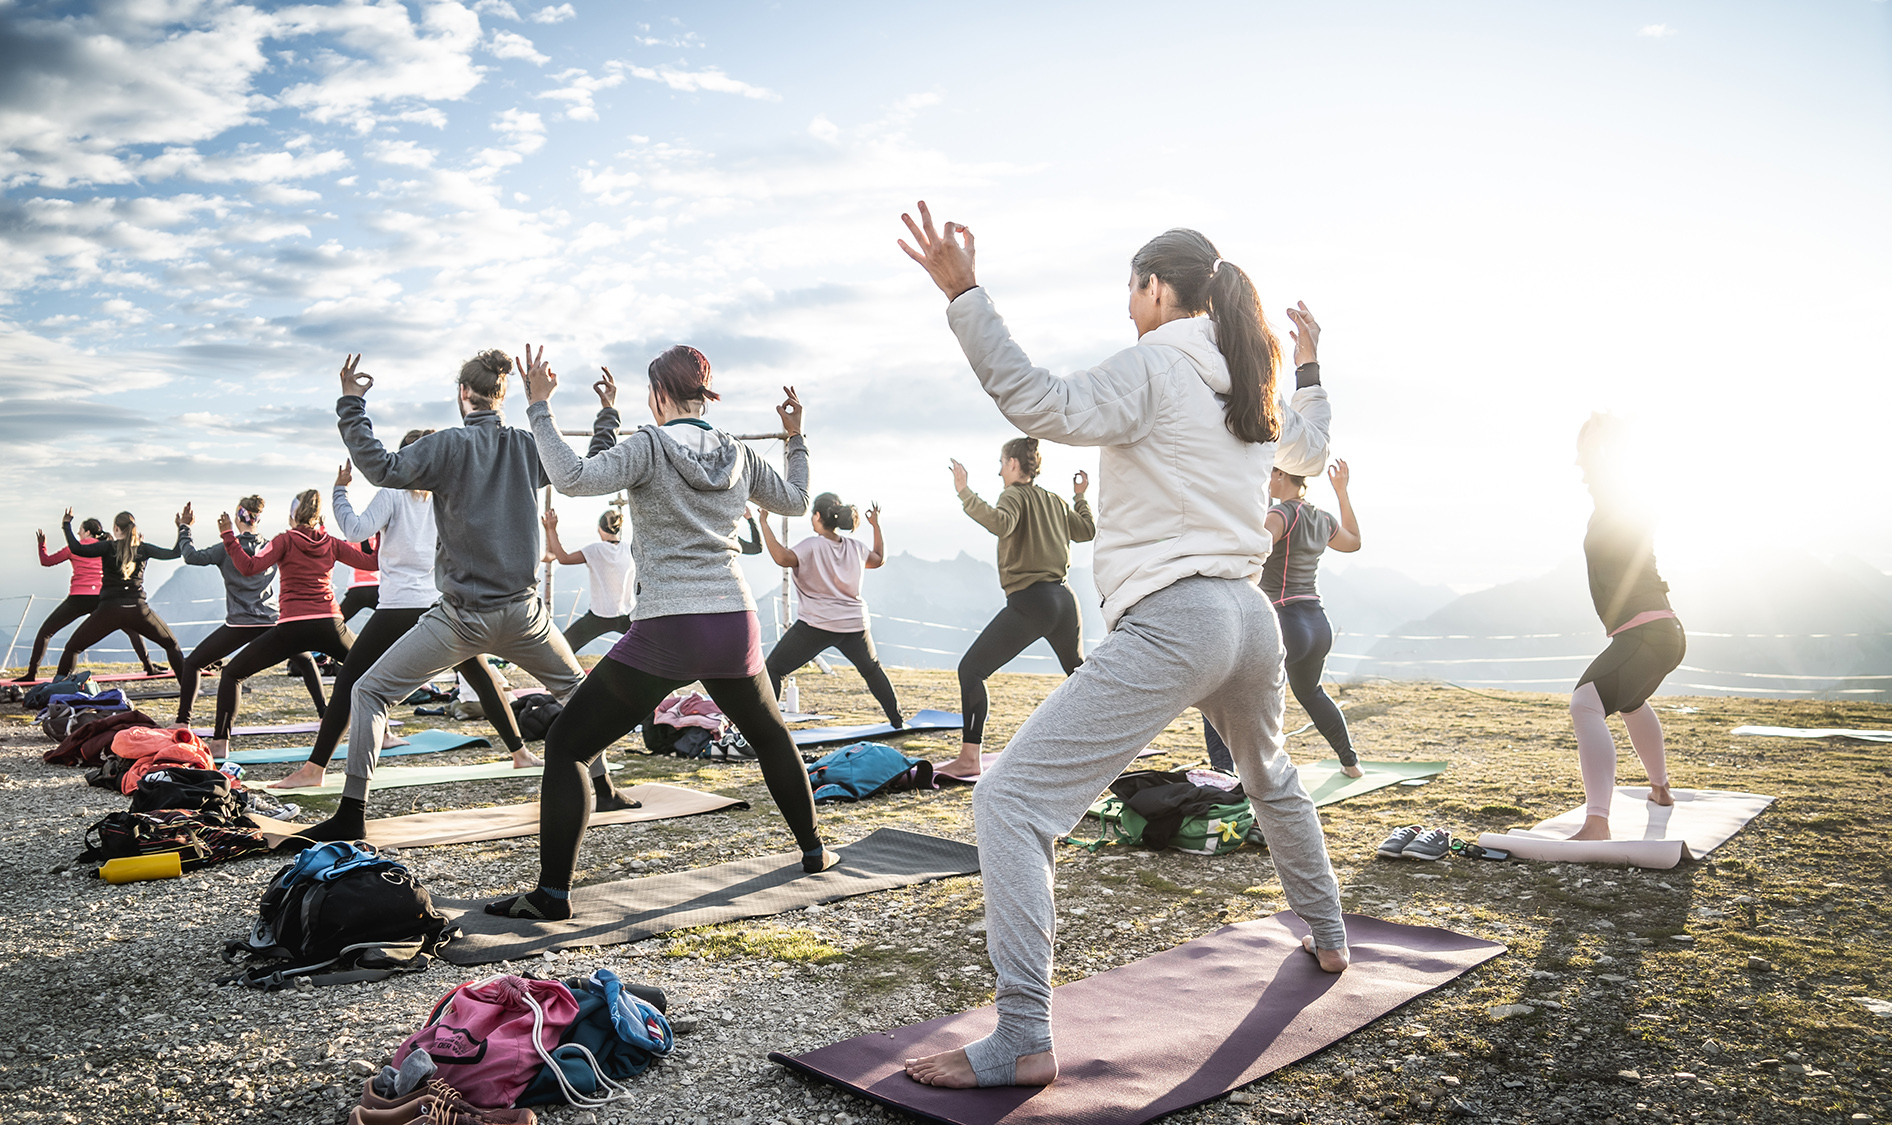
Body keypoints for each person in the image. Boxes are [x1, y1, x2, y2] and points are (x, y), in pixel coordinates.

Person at [896, 205, 1348, 1089]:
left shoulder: (1155, 364)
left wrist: (964, 295)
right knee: (1272, 779)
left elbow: (1037, 400)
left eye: (1131, 289)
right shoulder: (1248, 379)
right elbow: (1317, 445)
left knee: (1011, 804)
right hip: (1250, 620)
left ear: (1156, 288)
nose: (1127, 307)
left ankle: (1023, 1037)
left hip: (1180, 619)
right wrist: (1310, 361)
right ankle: (1330, 937)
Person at [487, 344, 834, 922]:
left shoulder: (649, 446)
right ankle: (814, 850)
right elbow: (797, 499)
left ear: (659, 395)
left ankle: (552, 895)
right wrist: (795, 438)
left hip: (670, 627)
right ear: (705, 395)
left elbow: (571, 479)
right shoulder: (740, 455)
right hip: (733, 621)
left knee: (570, 745)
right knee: (771, 735)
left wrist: (539, 406)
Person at [290, 348, 601, 845]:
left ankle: (351, 813)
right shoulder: (526, 445)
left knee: (369, 692)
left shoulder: (448, 446)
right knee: (578, 692)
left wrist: (351, 404)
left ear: (463, 394)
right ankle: (603, 786)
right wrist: (604, 414)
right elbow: (585, 464)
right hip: (525, 615)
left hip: (462, 618)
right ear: (502, 395)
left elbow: (380, 467)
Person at [269, 442, 543, 789]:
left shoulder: (393, 493)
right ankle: (520, 754)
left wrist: (340, 491)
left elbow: (355, 531)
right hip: (442, 603)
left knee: (351, 679)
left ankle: (314, 770)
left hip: (400, 605)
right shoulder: (445, 494)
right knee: (479, 672)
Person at [1201, 458, 1365, 779]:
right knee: (1311, 693)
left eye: (1271, 472)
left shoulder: (1280, 514)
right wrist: (1341, 493)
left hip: (1284, 622)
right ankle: (1351, 763)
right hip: (1317, 625)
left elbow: (1255, 547)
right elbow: (1354, 542)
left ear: (1280, 474)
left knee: (1217, 692)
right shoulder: (1322, 519)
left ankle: (1224, 774)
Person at [945, 438, 1094, 778]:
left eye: (1001, 463)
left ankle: (969, 758)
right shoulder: (1054, 499)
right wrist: (1080, 496)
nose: (999, 471)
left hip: (1031, 601)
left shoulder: (1012, 495)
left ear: (1013, 463)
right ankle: (1105, 742)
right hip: (1064, 600)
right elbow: (1086, 531)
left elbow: (1001, 523)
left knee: (971, 670)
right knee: (1080, 676)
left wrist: (964, 491)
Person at [1567, 413, 1684, 841]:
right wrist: (1593, 445)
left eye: (1586, 460)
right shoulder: (1611, 504)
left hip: (1647, 634)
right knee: (1631, 702)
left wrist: (1601, 443)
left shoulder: (1626, 497)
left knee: (1585, 705)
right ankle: (1661, 790)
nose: (1581, 470)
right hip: (1657, 633)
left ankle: (1597, 821)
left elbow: (1611, 472)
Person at [203, 489, 371, 756]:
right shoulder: (331, 542)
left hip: (292, 626)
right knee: (369, 671)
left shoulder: (284, 540)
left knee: (233, 673)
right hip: (330, 624)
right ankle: (382, 735)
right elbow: (371, 562)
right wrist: (376, 535)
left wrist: (227, 536)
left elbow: (249, 567)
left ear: (292, 516)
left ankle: (220, 743)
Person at [172, 496, 327, 729]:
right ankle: (324, 713)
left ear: (238, 517)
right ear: (258, 518)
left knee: (193, 663)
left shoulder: (226, 548)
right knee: (305, 660)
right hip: (273, 621)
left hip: (240, 624)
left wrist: (185, 528)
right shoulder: (274, 545)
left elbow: (191, 557)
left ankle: (183, 723)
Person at [760, 493, 902, 726]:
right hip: (855, 624)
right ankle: (898, 721)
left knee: (774, 669)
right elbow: (878, 559)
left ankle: (770, 730)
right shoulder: (855, 547)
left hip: (818, 624)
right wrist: (876, 526)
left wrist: (764, 523)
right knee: (872, 670)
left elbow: (782, 558)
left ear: (817, 516)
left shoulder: (812, 545)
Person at [16, 517, 164, 681]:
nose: (79, 533)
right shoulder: (108, 547)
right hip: (102, 599)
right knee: (132, 630)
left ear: (87, 532)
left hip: (78, 599)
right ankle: (149, 667)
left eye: (80, 529)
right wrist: (137, 544)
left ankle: (31, 673)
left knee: (46, 632)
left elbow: (46, 561)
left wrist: (41, 544)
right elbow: (127, 558)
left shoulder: (74, 549)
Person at [54, 511, 187, 679]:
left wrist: (66, 524)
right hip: (138, 610)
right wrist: (182, 527)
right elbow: (175, 553)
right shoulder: (143, 548)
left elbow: (77, 548)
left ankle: (57, 692)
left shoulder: (108, 547)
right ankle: (188, 693)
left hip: (109, 610)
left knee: (73, 648)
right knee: (171, 644)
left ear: (116, 528)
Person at [544, 506, 637, 652]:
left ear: (600, 529)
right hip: (627, 615)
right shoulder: (630, 549)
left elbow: (563, 558)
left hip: (599, 617)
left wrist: (551, 529)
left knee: (563, 649)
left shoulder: (595, 550)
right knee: (654, 648)